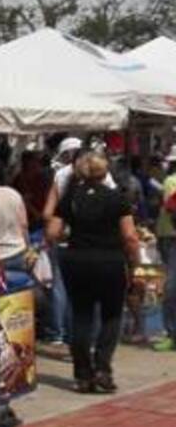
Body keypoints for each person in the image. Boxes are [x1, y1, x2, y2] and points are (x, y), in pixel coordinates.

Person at [46, 151, 140, 393]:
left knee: (81, 315)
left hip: (77, 260)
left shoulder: (70, 198)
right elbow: (129, 236)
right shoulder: (117, 198)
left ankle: (83, 374)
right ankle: (102, 368)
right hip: (110, 260)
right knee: (111, 315)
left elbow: (52, 233)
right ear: (104, 171)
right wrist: (135, 263)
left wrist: (73, 233)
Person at [153, 150, 176, 352]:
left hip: (170, 235)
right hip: (170, 234)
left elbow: (170, 207)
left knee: (171, 286)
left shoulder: (170, 180)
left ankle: (171, 333)